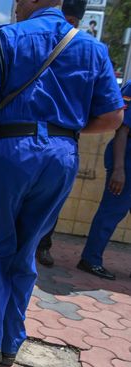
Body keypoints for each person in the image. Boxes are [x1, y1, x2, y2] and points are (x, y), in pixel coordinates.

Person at [0, 0, 123, 365]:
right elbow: (113, 116)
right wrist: (63, 131)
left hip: (11, 151)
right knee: (26, 249)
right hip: (62, 156)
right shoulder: (92, 48)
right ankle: (9, 344)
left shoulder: (8, 37)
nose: (16, 5)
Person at [34, 0, 88, 268]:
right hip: (23, 138)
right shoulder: (30, 42)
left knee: (49, 205)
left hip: (61, 142)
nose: (66, 27)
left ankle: (43, 245)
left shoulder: (85, 52)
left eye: (73, 23)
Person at [77, 81, 131, 280]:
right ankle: (90, 259)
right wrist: (119, 169)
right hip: (126, 161)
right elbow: (122, 130)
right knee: (111, 211)